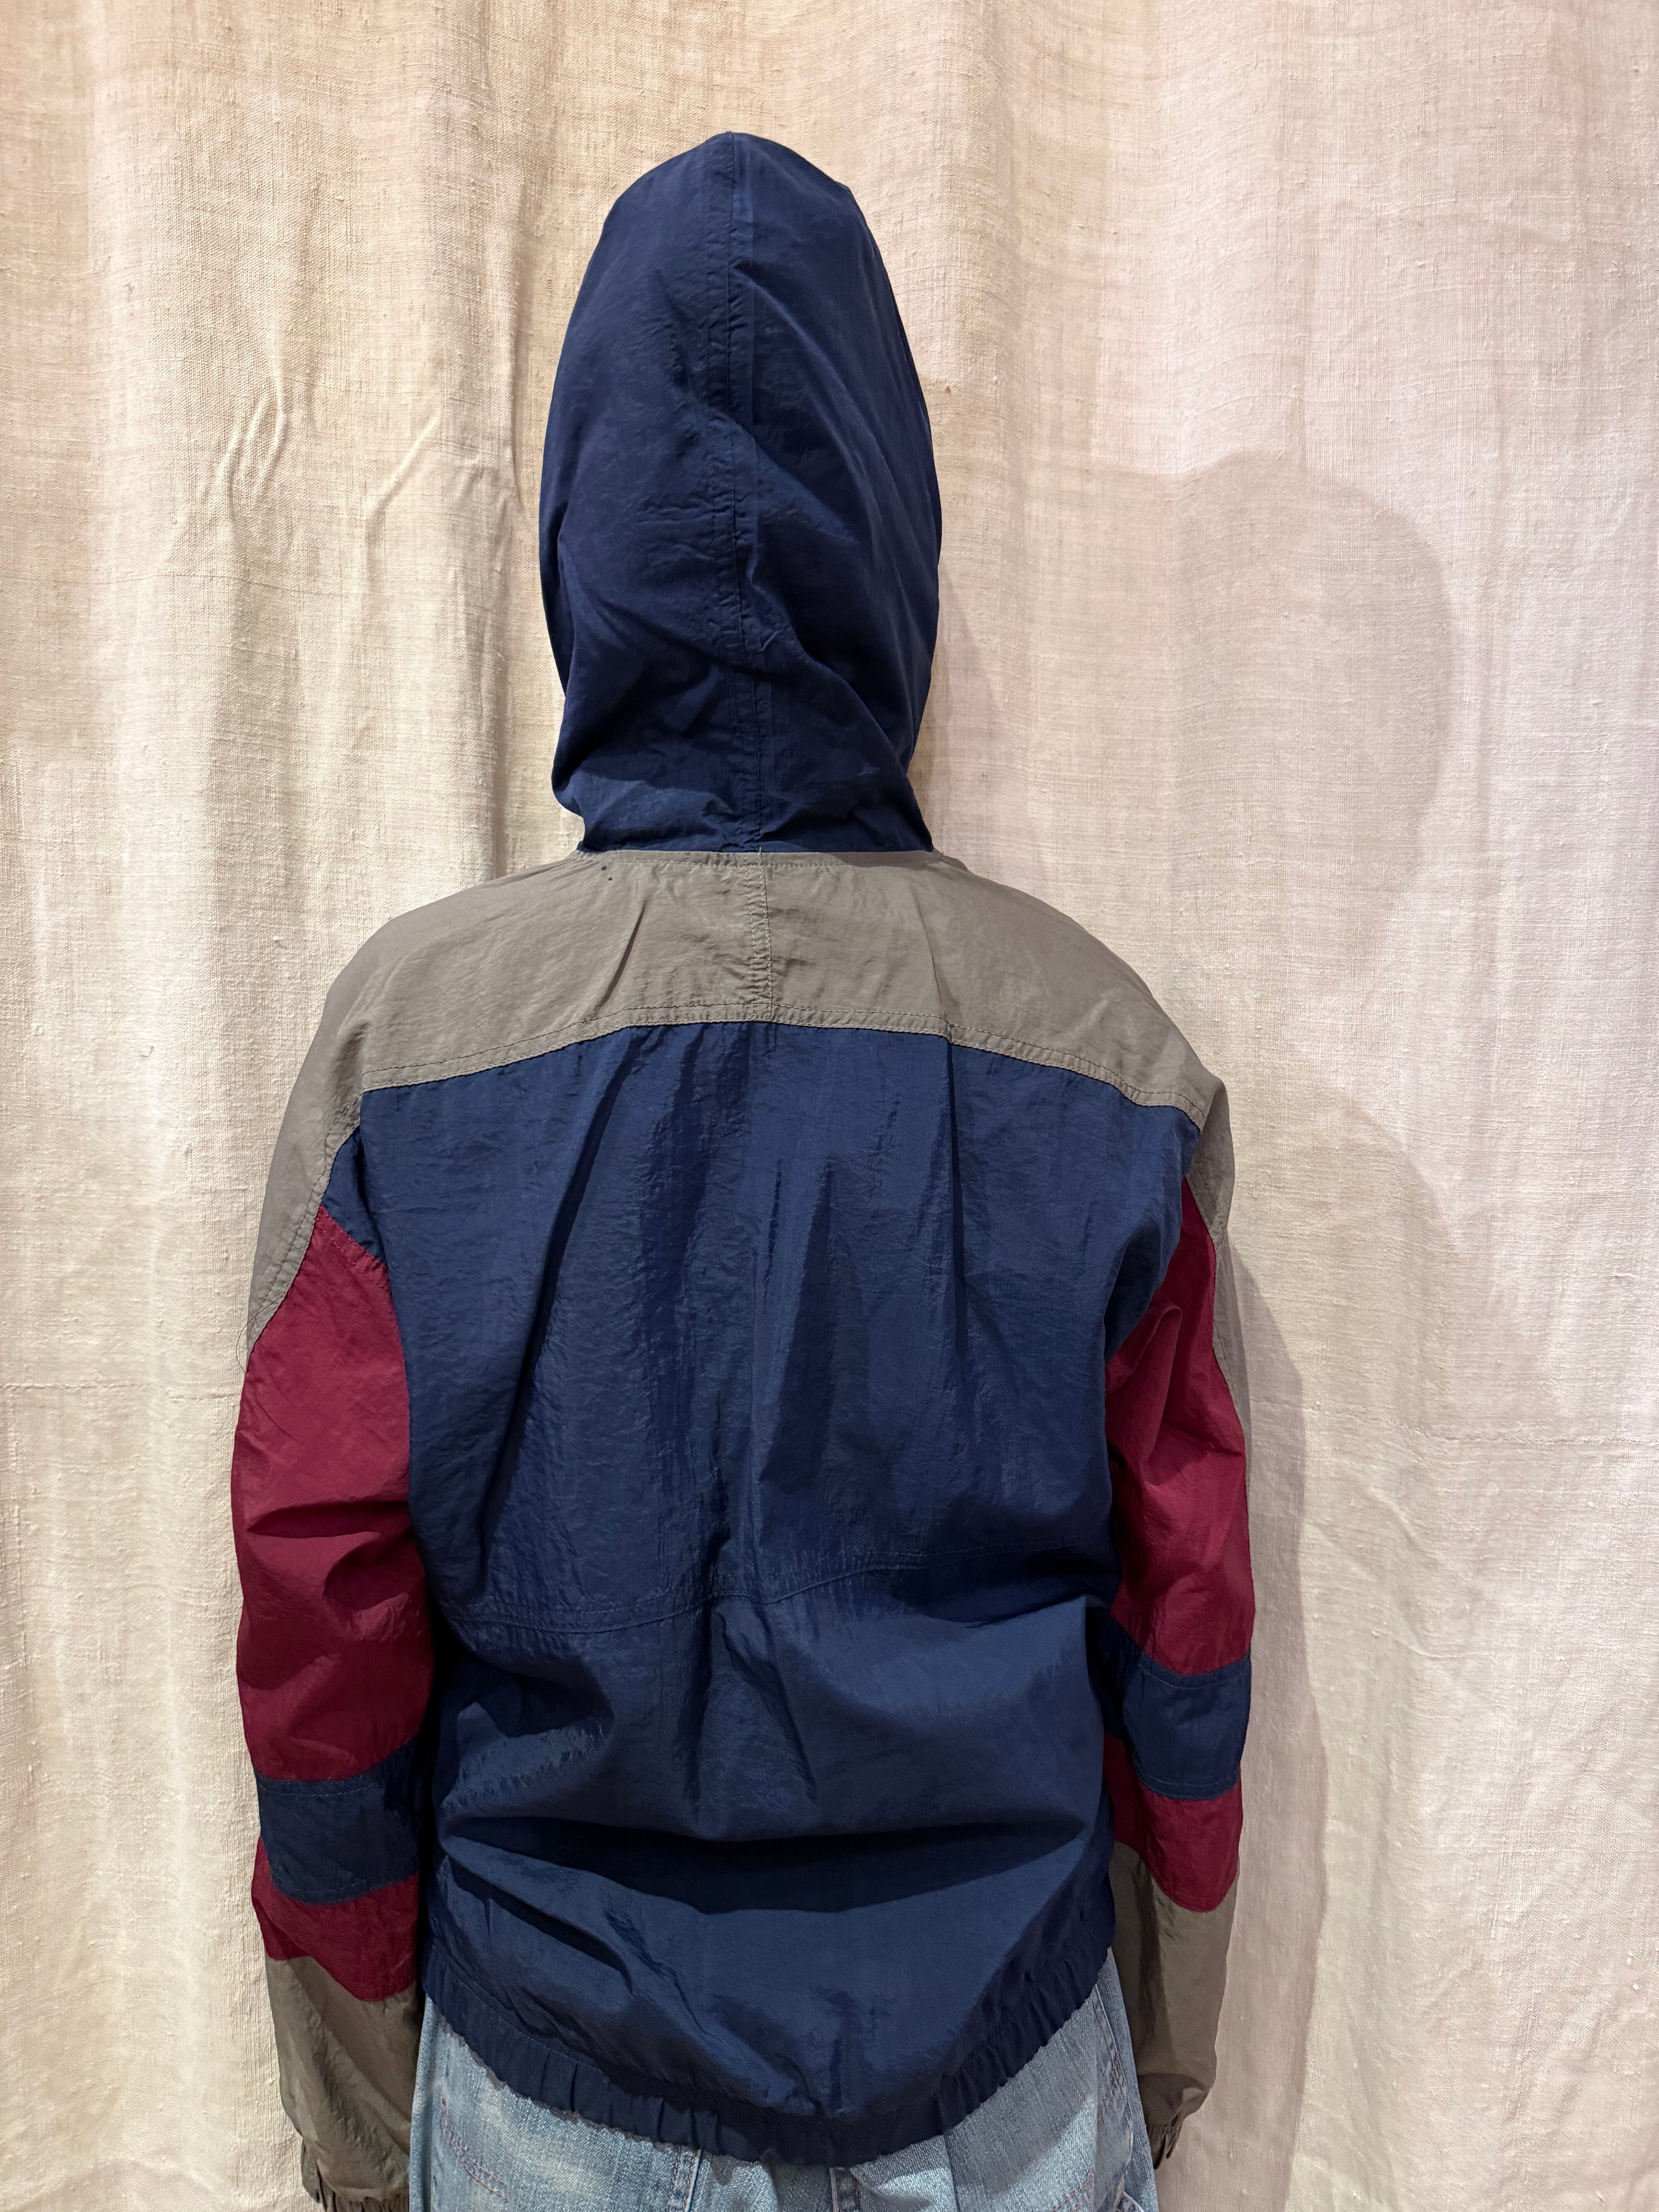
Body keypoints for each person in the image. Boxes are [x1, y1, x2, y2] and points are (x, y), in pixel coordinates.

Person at [229, 131, 1252, 2212]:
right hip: (1008, 2069)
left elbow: (320, 1630)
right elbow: (1192, 1628)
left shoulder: (401, 1054)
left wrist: (354, 2099)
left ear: (580, 539)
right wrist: (1160, 2040)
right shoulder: (1108, 1058)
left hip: (553, 2078)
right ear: (897, 533)